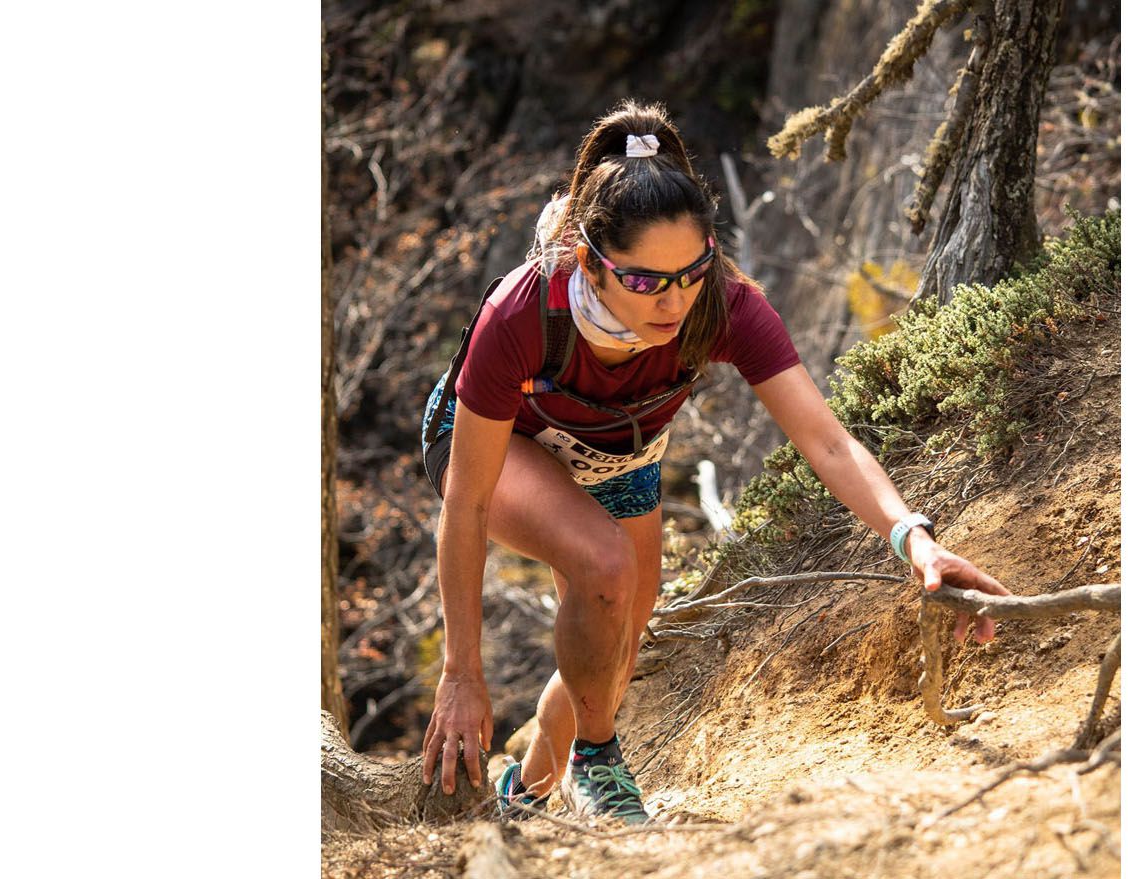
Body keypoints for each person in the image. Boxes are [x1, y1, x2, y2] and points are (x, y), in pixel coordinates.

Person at [417, 99, 1011, 825]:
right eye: (644, 281)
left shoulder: (723, 306)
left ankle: (529, 790)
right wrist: (460, 671)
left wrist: (914, 539)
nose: (672, 302)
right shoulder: (521, 314)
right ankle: (600, 762)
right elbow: (468, 502)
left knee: (618, 638)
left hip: (616, 449)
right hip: (498, 442)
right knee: (604, 564)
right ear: (591, 265)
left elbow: (827, 442)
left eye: (690, 272)